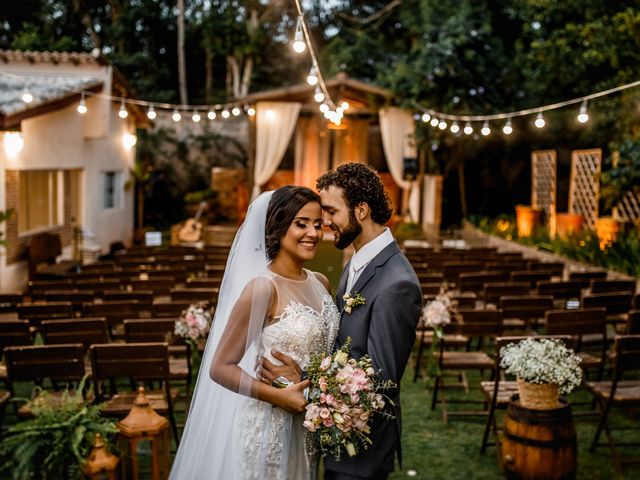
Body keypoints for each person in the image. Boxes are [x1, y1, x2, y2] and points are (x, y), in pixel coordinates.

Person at [261, 163, 422, 480]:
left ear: (361, 210)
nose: (325, 222)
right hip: (334, 437)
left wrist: (303, 380)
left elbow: (381, 380)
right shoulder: (356, 263)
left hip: (362, 450)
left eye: (331, 212)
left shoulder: (397, 283)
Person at [170, 186, 341, 479]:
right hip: (269, 431)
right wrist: (279, 397)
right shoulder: (263, 288)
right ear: (278, 225)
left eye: (318, 224)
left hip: (310, 424)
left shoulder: (321, 282)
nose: (313, 233)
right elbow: (220, 367)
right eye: (301, 224)